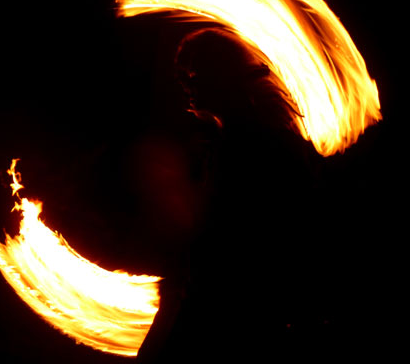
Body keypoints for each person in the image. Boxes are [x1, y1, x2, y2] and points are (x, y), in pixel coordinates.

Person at [137, 28, 320, 363]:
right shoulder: (230, 143)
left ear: (223, 74)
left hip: (232, 315)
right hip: (218, 307)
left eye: (193, 74)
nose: (186, 85)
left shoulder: (257, 145)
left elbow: (248, 238)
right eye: (181, 76)